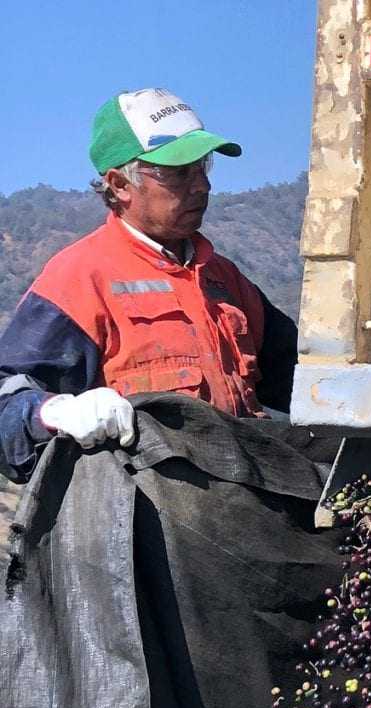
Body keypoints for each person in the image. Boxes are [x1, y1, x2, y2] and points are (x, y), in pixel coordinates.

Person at [0, 89, 298, 485]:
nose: (202, 186)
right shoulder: (80, 278)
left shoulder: (225, 280)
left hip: (242, 509)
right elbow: (7, 405)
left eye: (202, 166)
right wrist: (52, 412)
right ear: (120, 184)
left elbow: (303, 382)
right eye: (178, 172)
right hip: (141, 515)